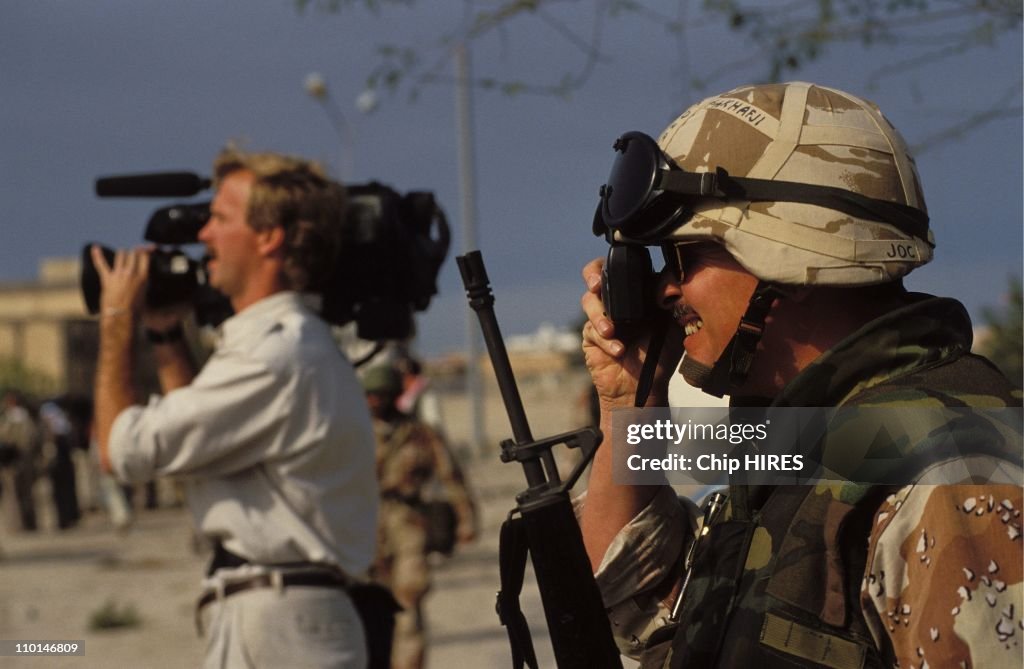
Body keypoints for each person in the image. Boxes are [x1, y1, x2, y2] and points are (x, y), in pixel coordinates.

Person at [578, 82, 1023, 668]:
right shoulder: (799, 432)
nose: (665, 288)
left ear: (787, 256)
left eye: (682, 257)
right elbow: (638, 600)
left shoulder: (950, 476)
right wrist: (626, 407)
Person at [91, 147, 379, 668]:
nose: (203, 236)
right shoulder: (294, 344)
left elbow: (121, 451)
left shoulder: (275, 355)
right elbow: (200, 441)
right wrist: (164, 334)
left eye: (220, 219)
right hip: (282, 615)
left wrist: (115, 320)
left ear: (269, 238)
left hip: (279, 622)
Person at [362, 364, 478, 669]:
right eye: (371, 395)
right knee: (367, 604)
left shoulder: (420, 433)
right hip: (363, 525)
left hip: (408, 523)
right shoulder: (351, 432)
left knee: (408, 602)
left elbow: (451, 475)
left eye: (382, 395)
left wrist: (466, 519)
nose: (376, 402)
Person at [0, 389, 40, 532]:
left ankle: (25, 523)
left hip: (18, 459)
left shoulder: (16, 418)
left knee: (20, 493)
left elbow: (24, 439)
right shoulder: (22, 418)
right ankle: (27, 523)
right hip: (20, 459)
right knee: (24, 493)